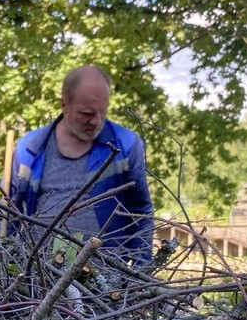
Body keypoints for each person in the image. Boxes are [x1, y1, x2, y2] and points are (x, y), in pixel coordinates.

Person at [8, 65, 154, 266]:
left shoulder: (126, 146)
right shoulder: (29, 149)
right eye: (86, 113)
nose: (96, 121)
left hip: (106, 285)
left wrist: (141, 271)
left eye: (103, 112)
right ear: (64, 104)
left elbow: (141, 213)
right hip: (38, 277)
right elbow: (8, 214)